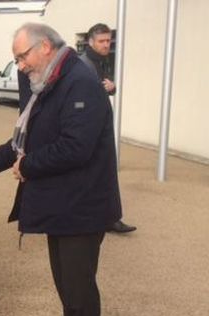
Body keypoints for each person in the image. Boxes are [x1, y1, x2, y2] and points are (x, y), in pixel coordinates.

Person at [0, 23, 121, 316]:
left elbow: (76, 147)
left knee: (79, 288)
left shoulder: (80, 83)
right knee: (66, 284)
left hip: (83, 207)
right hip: (66, 206)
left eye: (22, 56)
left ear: (44, 48)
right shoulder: (51, 80)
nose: (20, 65)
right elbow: (27, 137)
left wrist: (28, 166)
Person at [80, 23, 136, 234]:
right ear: (91, 42)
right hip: (91, 129)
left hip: (100, 127)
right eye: (102, 41)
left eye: (108, 41)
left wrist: (111, 88)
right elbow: (80, 96)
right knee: (96, 173)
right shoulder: (83, 64)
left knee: (105, 173)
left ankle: (110, 218)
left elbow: (103, 87)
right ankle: (105, 218)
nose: (106, 45)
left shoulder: (98, 61)